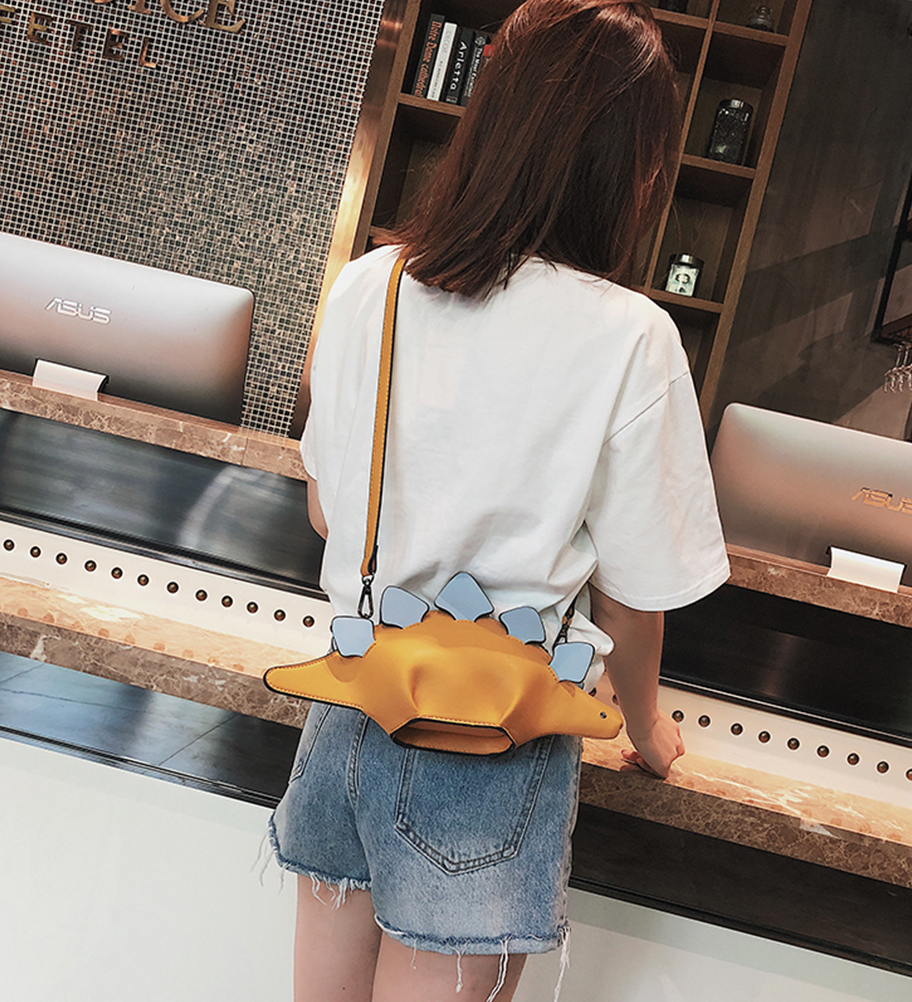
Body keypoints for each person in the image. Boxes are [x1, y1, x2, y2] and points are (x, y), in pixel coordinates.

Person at [268, 0, 730, 999]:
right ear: (634, 165)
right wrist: (648, 730)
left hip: (353, 707)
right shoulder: (632, 338)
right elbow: (634, 601)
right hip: (495, 745)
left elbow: (326, 514)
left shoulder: (371, 285)